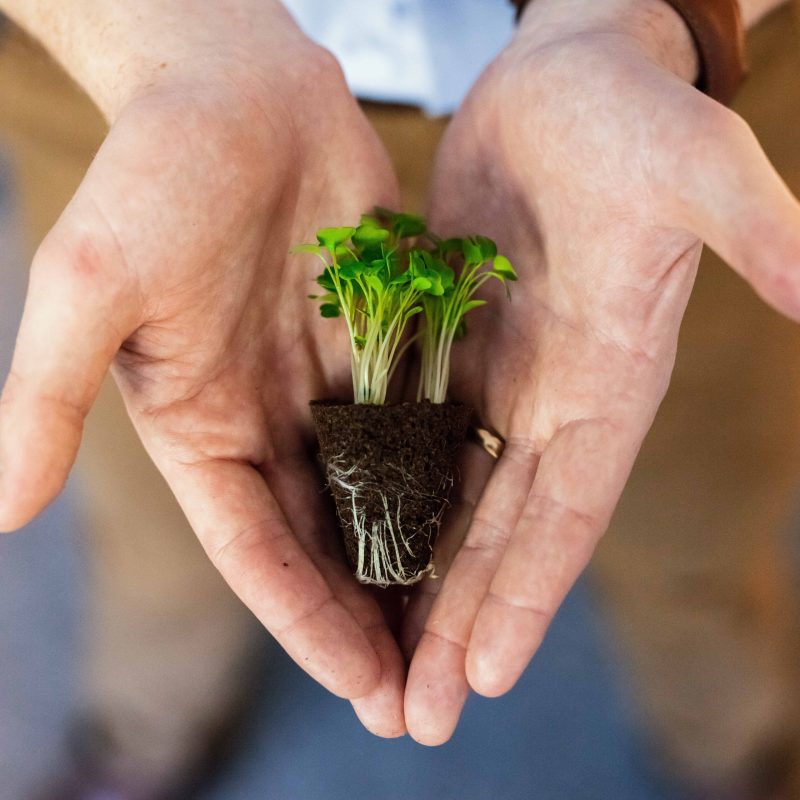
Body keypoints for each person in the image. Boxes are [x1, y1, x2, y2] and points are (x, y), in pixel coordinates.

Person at [1, 0, 799, 795]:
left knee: (698, 532)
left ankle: (734, 751)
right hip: (150, 81)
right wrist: (155, 36)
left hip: (644, 98)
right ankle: (143, 733)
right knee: (165, 533)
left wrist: (654, 20)